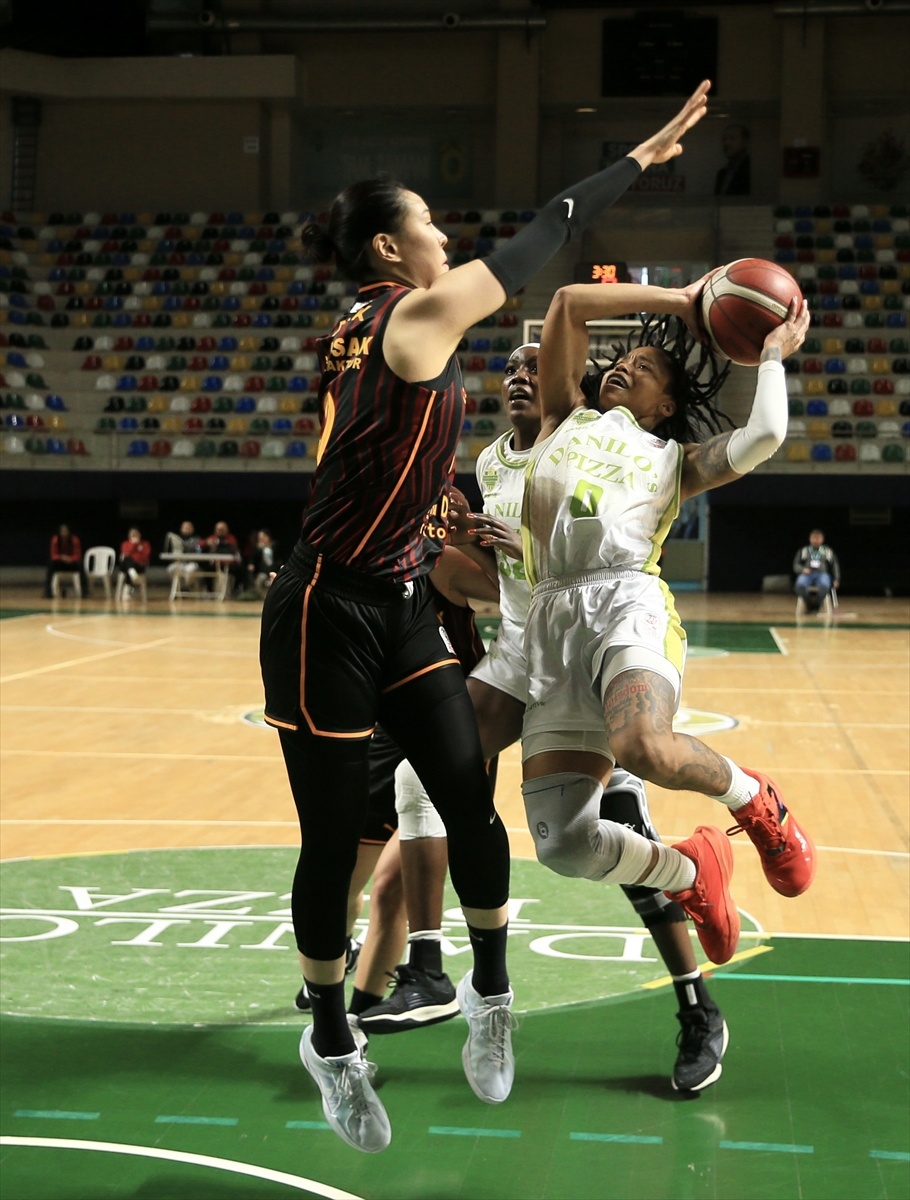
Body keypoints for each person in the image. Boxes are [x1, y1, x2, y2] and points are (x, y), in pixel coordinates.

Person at [258, 81, 712, 1154]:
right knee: (333, 838)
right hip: (325, 608)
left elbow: (375, 457)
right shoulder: (412, 314)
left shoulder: (363, 331)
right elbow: (551, 228)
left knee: (467, 793)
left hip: (398, 596)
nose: (445, 239)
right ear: (389, 247)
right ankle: (330, 1041)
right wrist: (642, 159)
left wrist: (437, 529)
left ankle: (491, 998)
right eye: (428, 224)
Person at [363, 347, 728, 1092]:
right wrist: (461, 545)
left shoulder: (596, 448)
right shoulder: (491, 465)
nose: (522, 375)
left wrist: (520, 548)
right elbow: (483, 583)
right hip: (518, 660)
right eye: (513, 367)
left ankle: (697, 1004)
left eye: (538, 365)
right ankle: (431, 969)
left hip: (583, 661)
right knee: (420, 775)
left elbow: (590, 553)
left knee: (628, 840)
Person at [512, 277, 816, 973]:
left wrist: (772, 354)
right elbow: (566, 304)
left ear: (667, 406)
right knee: (563, 844)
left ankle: (755, 800)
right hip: (550, 620)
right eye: (622, 359)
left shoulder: (674, 461)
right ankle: (691, 870)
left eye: (645, 367)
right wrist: (682, 300)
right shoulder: (564, 417)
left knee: (644, 746)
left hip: (628, 602)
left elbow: (766, 435)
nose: (625, 366)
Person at [793, 529, 839, 614]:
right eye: (814, 538)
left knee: (824, 585)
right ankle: (809, 603)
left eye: (818, 538)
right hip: (807, 575)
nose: (816, 540)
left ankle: (817, 605)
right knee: (800, 585)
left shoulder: (827, 551)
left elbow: (834, 566)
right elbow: (796, 565)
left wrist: (836, 579)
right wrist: (802, 570)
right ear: (810, 539)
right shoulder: (804, 550)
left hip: (822, 574)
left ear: (822, 540)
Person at [204, 520, 243, 595]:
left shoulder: (231, 539)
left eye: (222, 529)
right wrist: (207, 543)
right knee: (206, 570)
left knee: (241, 570)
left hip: (229, 565)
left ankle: (235, 591)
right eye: (219, 529)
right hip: (215, 565)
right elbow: (201, 544)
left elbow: (235, 552)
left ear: (226, 530)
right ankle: (209, 592)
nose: (220, 531)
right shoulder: (212, 538)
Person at [45, 524, 82, 598]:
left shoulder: (74, 540)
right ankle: (48, 592)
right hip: (60, 563)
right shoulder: (55, 540)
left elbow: (78, 555)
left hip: (71, 564)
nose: (64, 533)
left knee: (80, 564)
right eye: (62, 531)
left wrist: (70, 559)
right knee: (51, 564)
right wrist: (61, 557)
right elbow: (53, 555)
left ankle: (84, 591)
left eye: (65, 531)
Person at [714, 124, 751, 197]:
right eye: (724, 139)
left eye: (732, 138)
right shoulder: (722, 174)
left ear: (745, 142)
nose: (726, 143)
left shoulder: (752, 170)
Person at [245, 529, 281, 596]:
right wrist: (251, 564)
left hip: (274, 569)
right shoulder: (257, 548)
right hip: (262, 570)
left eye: (263, 537)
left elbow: (279, 558)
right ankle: (260, 596)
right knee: (260, 579)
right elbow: (252, 558)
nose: (262, 539)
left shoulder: (274, 546)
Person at [119, 527, 151, 597]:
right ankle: (133, 575)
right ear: (129, 536)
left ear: (139, 535)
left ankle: (126, 592)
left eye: (136, 535)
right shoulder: (125, 544)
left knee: (129, 567)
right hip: (126, 565)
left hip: (139, 565)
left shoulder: (145, 544)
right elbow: (125, 553)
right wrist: (133, 545)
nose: (135, 537)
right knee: (128, 560)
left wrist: (135, 557)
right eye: (133, 536)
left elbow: (145, 557)